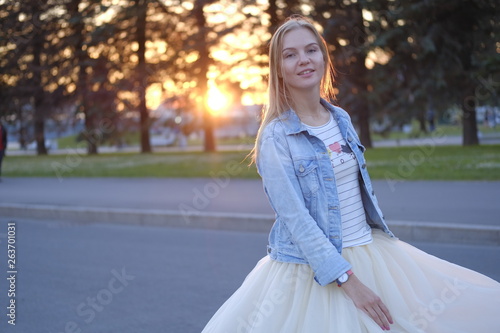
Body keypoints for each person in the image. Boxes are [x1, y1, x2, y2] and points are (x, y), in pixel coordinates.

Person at [201, 15, 500, 333]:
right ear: (278, 69)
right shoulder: (275, 137)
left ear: (323, 57)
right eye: (290, 54)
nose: (303, 60)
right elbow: (297, 220)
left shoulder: (339, 118)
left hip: (372, 251)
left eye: (311, 50)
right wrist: (347, 280)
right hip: (314, 270)